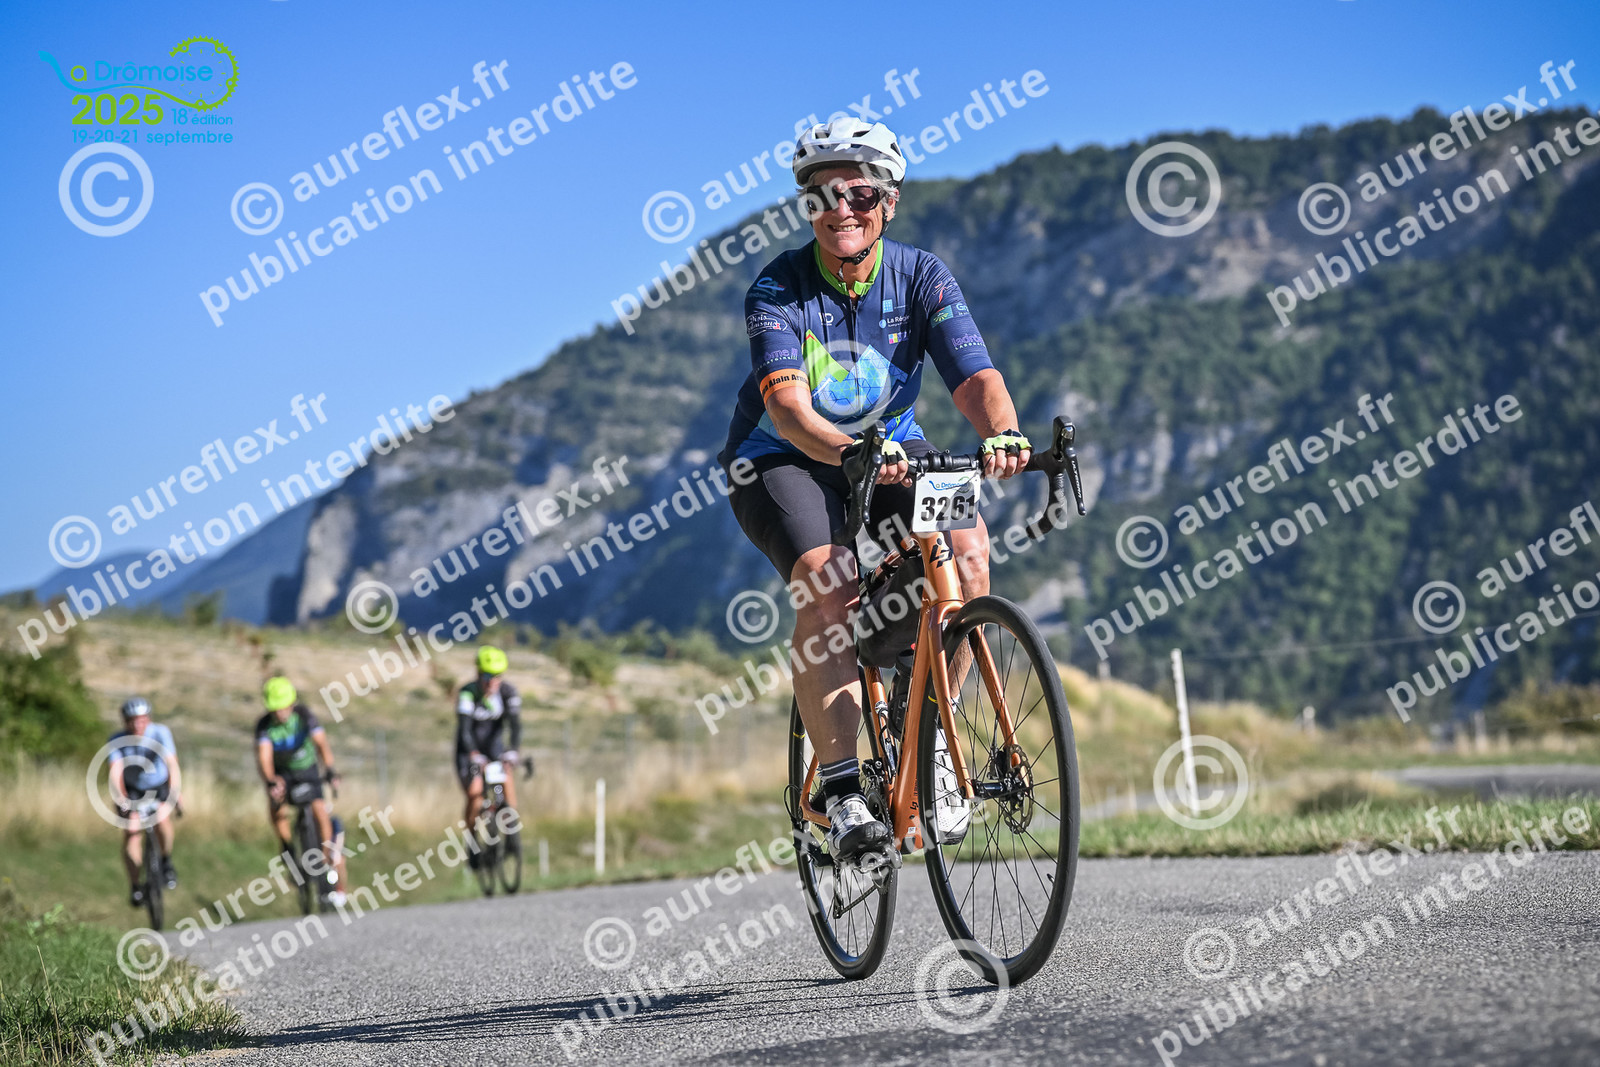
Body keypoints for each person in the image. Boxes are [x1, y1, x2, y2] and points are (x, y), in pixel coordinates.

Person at [717, 118, 1033, 860]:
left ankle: (936, 747)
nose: (841, 209)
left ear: (888, 201)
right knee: (827, 580)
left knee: (968, 555)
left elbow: (975, 377)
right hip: (780, 456)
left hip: (893, 448)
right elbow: (789, 409)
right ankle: (841, 788)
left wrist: (1005, 432)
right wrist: (852, 452)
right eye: (822, 196)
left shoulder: (922, 276)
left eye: (859, 193)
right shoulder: (777, 287)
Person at [254, 676, 347, 907]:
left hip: (307, 769)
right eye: (275, 709)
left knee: (319, 809)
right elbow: (264, 758)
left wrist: (330, 770)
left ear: (292, 704)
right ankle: (287, 847)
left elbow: (321, 744)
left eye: (283, 707)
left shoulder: (304, 716)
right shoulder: (264, 726)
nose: (280, 713)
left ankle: (325, 856)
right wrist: (271, 781)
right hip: (282, 773)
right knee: (276, 807)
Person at [108, 697, 181, 906]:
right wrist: (120, 799)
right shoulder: (117, 740)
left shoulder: (160, 733)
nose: (137, 725)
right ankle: (135, 886)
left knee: (162, 820)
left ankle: (166, 861)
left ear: (148, 719)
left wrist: (176, 793)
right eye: (132, 720)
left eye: (141, 720)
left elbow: (172, 764)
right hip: (133, 789)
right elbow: (115, 772)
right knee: (131, 832)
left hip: (159, 785)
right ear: (125, 721)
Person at [456, 645, 521, 848]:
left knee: (507, 784)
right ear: (478, 674)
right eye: (486, 676)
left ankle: (512, 835)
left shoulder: (508, 692)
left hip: (495, 749)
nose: (491, 681)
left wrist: (513, 750)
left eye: (496, 676)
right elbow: (464, 729)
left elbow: (516, 725)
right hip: (469, 749)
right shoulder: (468, 693)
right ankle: (472, 842)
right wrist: (473, 753)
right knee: (475, 794)